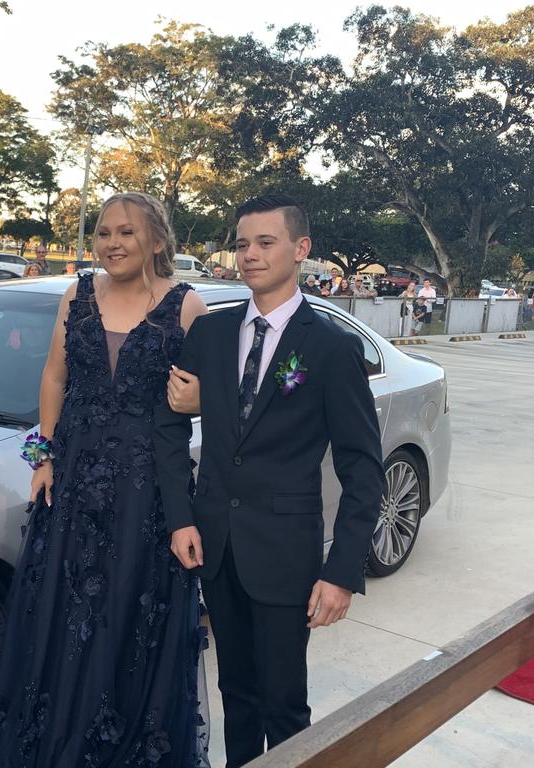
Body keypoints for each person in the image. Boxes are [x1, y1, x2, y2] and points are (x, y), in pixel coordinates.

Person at [0, 192, 210, 768]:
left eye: (126, 232)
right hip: (72, 482)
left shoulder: (187, 306)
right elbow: (54, 375)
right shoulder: (77, 294)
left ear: (157, 241)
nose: (112, 244)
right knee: (60, 612)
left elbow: (207, 395)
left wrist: (198, 401)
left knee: (126, 613)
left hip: (146, 491)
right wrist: (42, 456)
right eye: (103, 233)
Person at [155, 192, 384, 766]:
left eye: (265, 242)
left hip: (285, 552)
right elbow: (168, 427)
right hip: (214, 543)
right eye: (241, 244)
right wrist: (181, 517)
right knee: (236, 693)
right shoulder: (211, 333)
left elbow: (361, 466)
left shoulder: (330, 347)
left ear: (300, 249)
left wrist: (343, 571)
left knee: (284, 702)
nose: (249, 255)